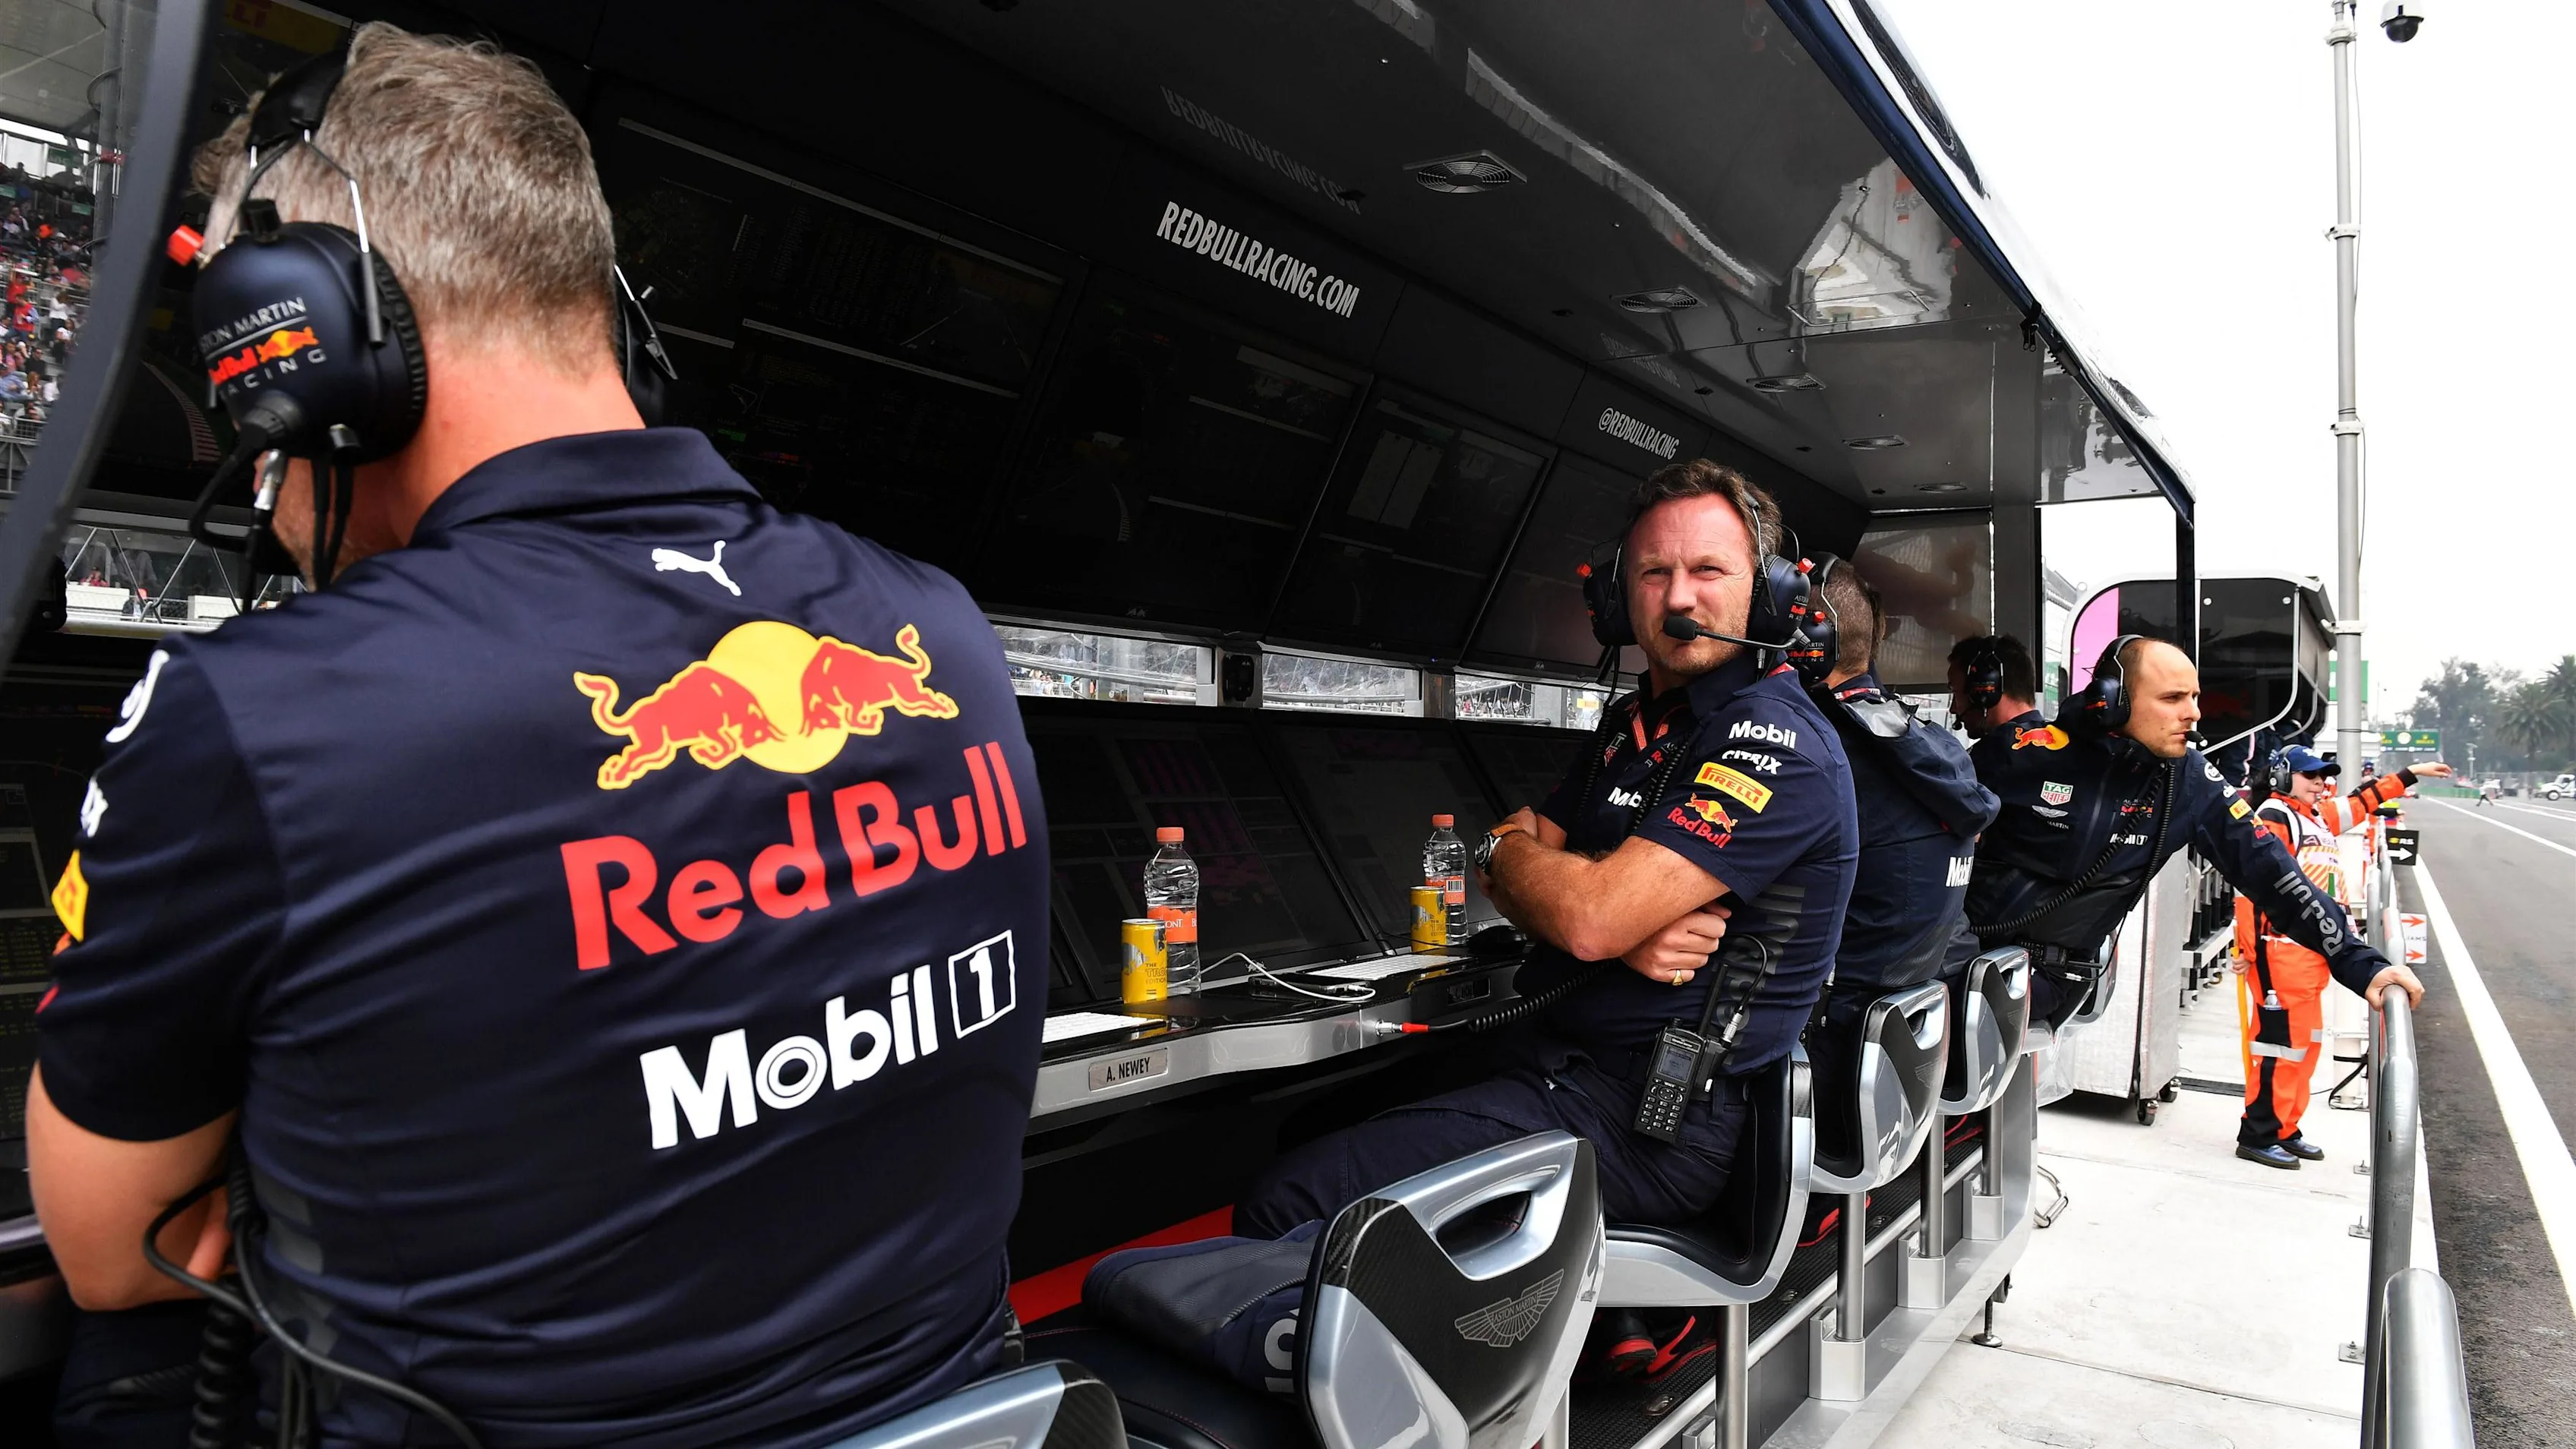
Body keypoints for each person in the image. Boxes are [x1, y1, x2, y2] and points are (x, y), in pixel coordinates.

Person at [29, 26, 1048, 1447]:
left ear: (314, 344)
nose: (259, 476)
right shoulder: (939, 630)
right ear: (607, 309)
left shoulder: (258, 713)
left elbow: (112, 1243)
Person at [1088, 459, 1859, 1391]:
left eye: (1707, 571)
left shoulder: (1770, 739)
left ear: (1769, 595)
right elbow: (1522, 854)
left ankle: (1377, 1405)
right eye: (1652, 574)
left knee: (1289, 1196)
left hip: (1640, 1122)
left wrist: (1577, 895)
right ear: (1620, 594)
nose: (1676, 597)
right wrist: (1535, 871)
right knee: (1308, 1127)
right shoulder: (1637, 726)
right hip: (1559, 1074)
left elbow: (1579, 916)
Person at [1965, 636, 2423, 1035]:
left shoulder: (2189, 780)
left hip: (2039, 978)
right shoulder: (2021, 750)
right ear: (2111, 698)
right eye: (2172, 699)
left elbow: (2272, 873)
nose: (2194, 714)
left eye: (2195, 697)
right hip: (1964, 951)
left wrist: (2358, 963)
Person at [1804, 559, 1997, 1144]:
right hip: (1896, 1052)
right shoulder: (1934, 744)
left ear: (1804, 640)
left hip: (1828, 1056)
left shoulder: (1814, 748)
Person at [2232, 746, 2450, 1167]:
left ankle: (2284, 1127)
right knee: (2280, 1049)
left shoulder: (2315, 818)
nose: (2320, 783)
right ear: (2281, 777)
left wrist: (2408, 775)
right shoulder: (2277, 815)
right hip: (2280, 951)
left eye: (2323, 777)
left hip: (2311, 954)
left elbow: (2361, 802)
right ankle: (2258, 1133)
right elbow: (2253, 888)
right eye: (2310, 776)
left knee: (2306, 1045)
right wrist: (2248, 948)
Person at [1946, 633, 2042, 740]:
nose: (1953, 709)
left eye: (1955, 692)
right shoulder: (2061, 744)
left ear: (1986, 688)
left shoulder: (1990, 754)